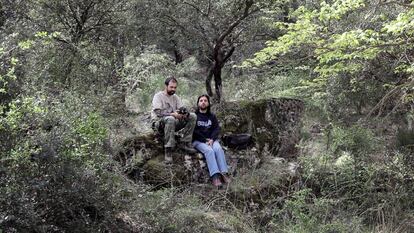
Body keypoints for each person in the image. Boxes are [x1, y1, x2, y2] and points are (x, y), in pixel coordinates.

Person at [151, 77, 197, 163]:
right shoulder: (158, 96)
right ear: (166, 86)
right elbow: (158, 113)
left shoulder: (175, 97)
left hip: (172, 122)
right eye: (171, 87)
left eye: (175, 87)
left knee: (192, 116)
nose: (173, 89)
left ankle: (185, 142)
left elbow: (181, 109)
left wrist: (183, 113)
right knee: (170, 118)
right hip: (158, 123)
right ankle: (168, 150)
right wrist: (173, 114)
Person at [192, 94, 230, 187]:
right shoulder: (194, 116)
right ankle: (215, 176)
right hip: (198, 141)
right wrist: (205, 140)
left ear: (208, 103)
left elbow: (216, 129)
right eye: (201, 100)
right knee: (209, 151)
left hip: (211, 140)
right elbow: (194, 131)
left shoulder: (212, 116)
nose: (203, 102)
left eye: (205, 100)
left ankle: (224, 173)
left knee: (218, 149)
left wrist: (212, 140)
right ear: (198, 103)